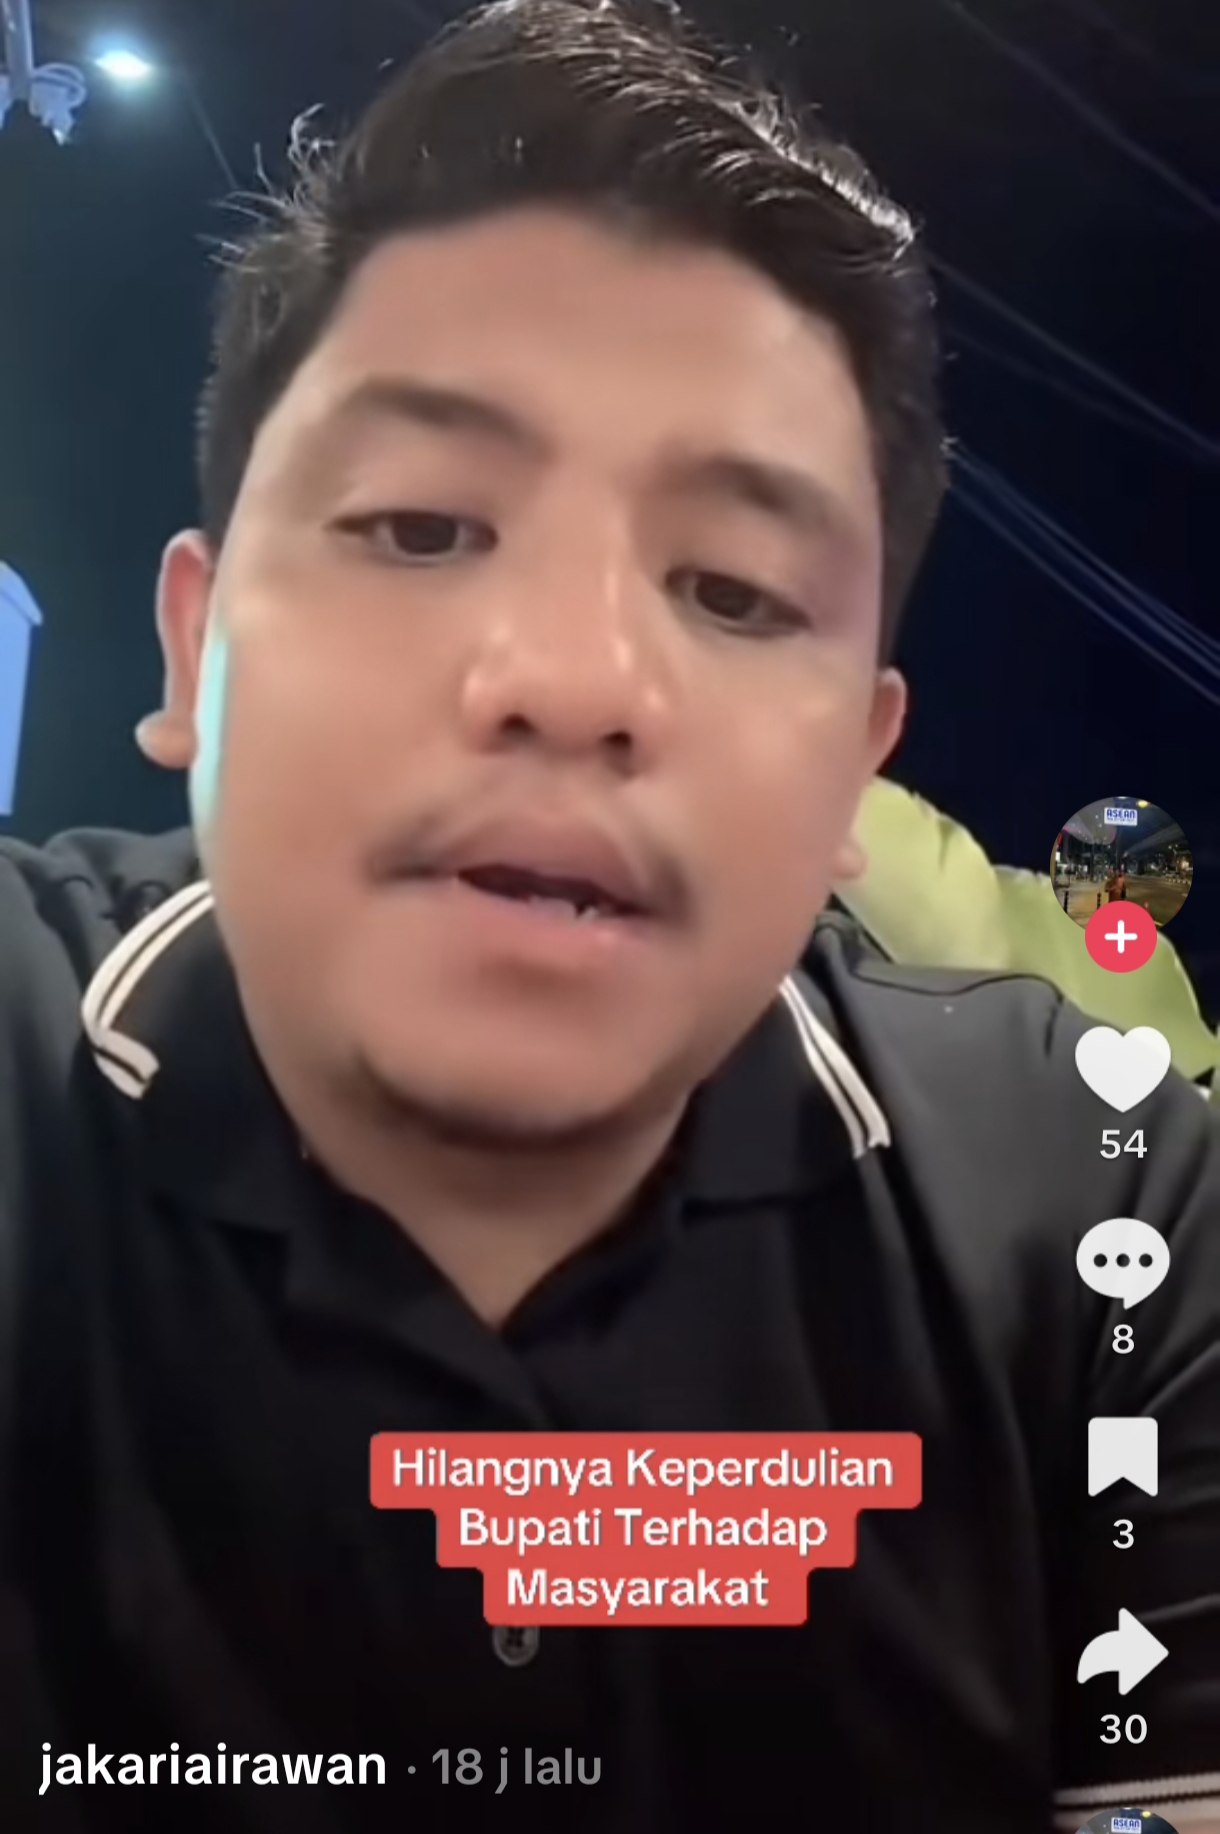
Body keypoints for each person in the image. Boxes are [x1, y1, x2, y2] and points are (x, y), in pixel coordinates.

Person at [0, 2, 1216, 1831]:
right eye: (420, 527)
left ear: (857, 771)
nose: (572, 681)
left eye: (734, 588)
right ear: (192, 645)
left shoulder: (1107, 1204)